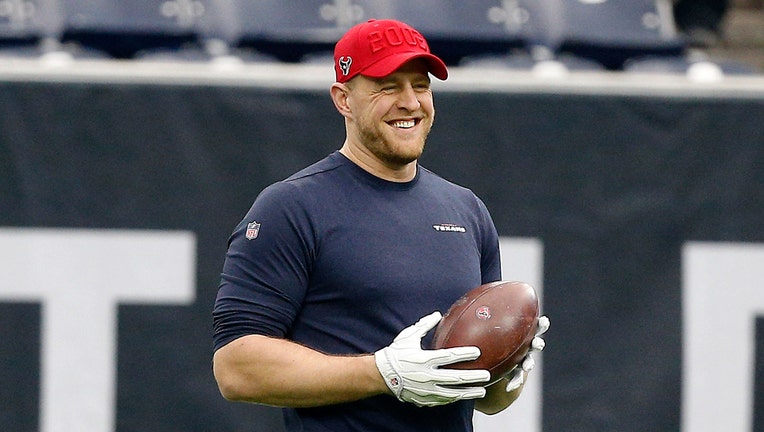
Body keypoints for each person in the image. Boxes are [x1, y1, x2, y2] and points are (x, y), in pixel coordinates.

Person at [212, 18, 549, 432]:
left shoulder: (466, 210)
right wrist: (383, 373)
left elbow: (485, 399)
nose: (410, 102)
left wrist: (507, 368)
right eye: (388, 86)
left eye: (421, 85)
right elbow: (236, 367)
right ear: (344, 100)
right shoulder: (292, 207)